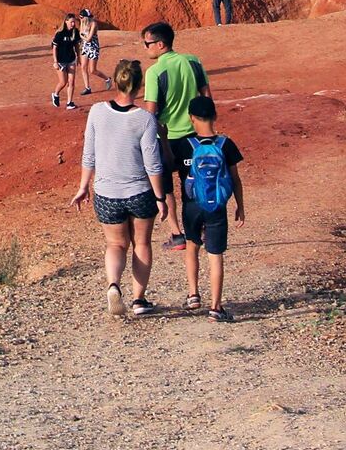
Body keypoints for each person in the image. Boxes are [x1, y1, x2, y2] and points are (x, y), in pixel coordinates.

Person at [70, 59, 166, 319]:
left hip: (106, 192)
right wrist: (160, 197)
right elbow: (153, 163)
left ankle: (113, 285)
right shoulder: (145, 119)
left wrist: (83, 187)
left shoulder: (97, 111)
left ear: (117, 79)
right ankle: (139, 299)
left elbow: (88, 154)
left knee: (115, 244)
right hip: (139, 192)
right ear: (139, 85)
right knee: (142, 243)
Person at [141, 21, 208, 250]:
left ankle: (177, 234)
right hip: (195, 136)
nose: (145, 47)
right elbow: (206, 97)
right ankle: (201, 228)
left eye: (147, 43)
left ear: (160, 44)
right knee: (194, 183)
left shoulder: (155, 72)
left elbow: (150, 113)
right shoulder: (193, 61)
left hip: (167, 139)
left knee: (167, 187)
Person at [178, 95, 246, 322]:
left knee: (191, 246)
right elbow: (235, 179)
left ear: (191, 118)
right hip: (216, 206)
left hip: (191, 206)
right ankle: (216, 308)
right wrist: (240, 206)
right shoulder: (226, 144)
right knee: (215, 256)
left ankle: (193, 294)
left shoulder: (185, 145)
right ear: (215, 116)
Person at [50, 13, 82, 109]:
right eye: (71, 22)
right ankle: (55, 94)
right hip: (60, 61)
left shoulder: (75, 32)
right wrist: (55, 61)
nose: (73, 24)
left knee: (71, 82)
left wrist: (78, 57)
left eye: (74, 22)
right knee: (63, 82)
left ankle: (69, 103)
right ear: (66, 21)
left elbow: (76, 45)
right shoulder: (60, 33)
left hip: (71, 59)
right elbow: (54, 48)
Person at [77, 9, 106, 94]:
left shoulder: (93, 24)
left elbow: (89, 39)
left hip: (93, 47)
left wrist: (82, 37)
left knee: (92, 70)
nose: (80, 19)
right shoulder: (82, 23)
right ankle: (87, 88)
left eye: (82, 17)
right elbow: (82, 36)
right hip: (85, 47)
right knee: (83, 67)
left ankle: (107, 79)